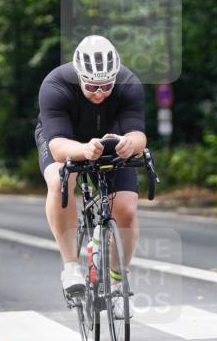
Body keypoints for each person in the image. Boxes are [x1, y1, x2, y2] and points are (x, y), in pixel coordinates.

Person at [35, 35, 146, 319]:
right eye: (92, 86)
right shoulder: (56, 85)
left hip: (112, 143)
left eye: (107, 86)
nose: (99, 93)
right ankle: (71, 265)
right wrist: (84, 149)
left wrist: (129, 144)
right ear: (79, 77)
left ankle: (119, 282)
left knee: (127, 211)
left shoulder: (128, 83)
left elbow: (138, 134)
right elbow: (57, 146)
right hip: (66, 140)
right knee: (61, 179)